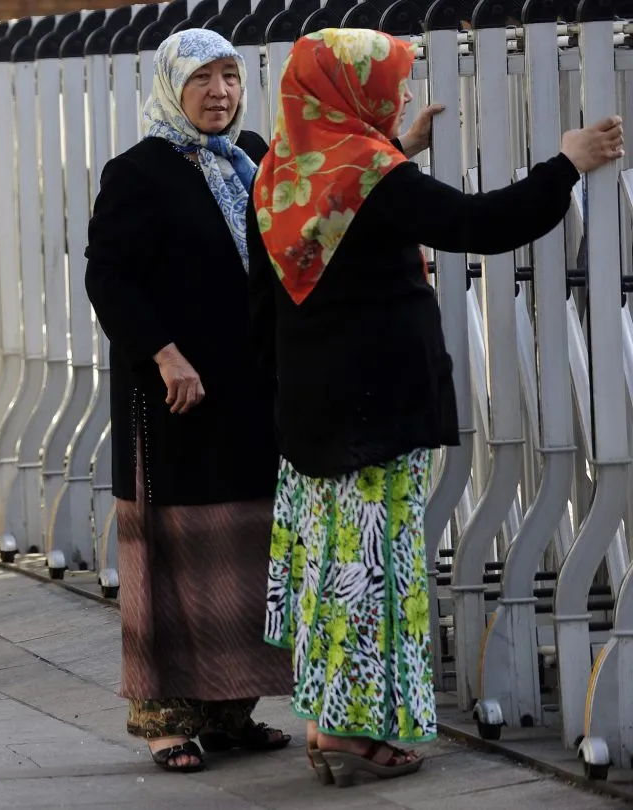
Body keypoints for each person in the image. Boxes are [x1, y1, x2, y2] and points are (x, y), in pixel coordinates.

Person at [249, 28, 623, 786]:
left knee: (333, 567)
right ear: (351, 91)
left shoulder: (289, 168)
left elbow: (352, 220)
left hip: (312, 407)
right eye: (390, 81)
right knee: (373, 570)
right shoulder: (371, 176)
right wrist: (568, 165)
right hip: (376, 405)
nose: (405, 92)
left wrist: (398, 148)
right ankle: (351, 733)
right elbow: (477, 226)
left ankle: (327, 719)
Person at [83, 29, 291, 773]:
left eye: (231, 78)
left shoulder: (256, 159)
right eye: (202, 79)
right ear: (172, 86)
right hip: (173, 400)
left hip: (249, 392)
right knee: (171, 555)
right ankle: (165, 717)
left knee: (243, 545)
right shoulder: (138, 172)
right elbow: (108, 278)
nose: (220, 94)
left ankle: (233, 709)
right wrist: (164, 353)